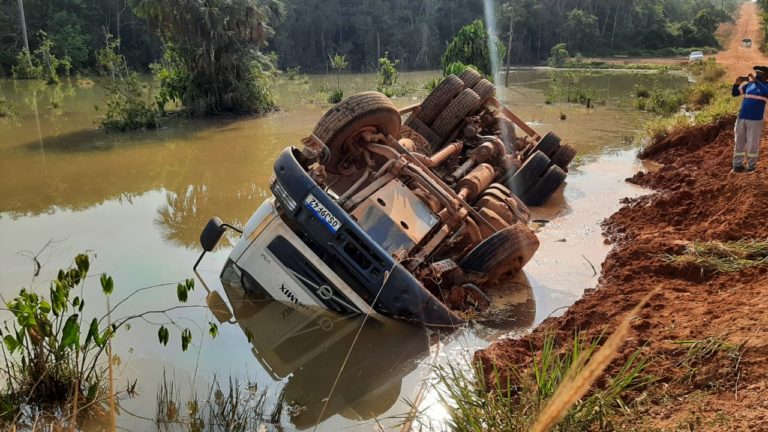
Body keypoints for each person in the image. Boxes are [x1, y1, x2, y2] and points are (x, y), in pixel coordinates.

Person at [731, 66, 768, 173]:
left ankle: (751, 167)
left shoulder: (765, 86)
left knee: (753, 144)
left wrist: (756, 81)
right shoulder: (749, 85)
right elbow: (735, 93)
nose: (757, 75)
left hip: (755, 120)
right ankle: (737, 165)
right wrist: (736, 83)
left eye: (760, 74)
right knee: (739, 142)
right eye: (756, 74)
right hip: (742, 118)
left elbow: (765, 91)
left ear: (766, 76)